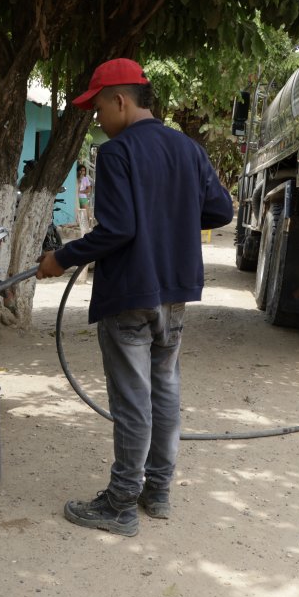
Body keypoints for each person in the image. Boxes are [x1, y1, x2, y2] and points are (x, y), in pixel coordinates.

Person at [37, 58, 233, 537]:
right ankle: (158, 492)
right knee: (164, 392)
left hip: (129, 294)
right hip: (174, 296)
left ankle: (122, 504)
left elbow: (119, 229)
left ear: (120, 100)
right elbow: (221, 209)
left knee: (132, 402)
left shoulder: (118, 152)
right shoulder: (188, 149)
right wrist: (173, 221)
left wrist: (61, 258)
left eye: (99, 107)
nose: (97, 119)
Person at [76, 164, 94, 236]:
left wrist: (81, 191)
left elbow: (89, 189)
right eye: (81, 170)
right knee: (78, 214)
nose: (82, 172)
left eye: (84, 170)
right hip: (76, 198)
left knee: (86, 213)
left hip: (83, 197)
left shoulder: (86, 178)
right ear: (78, 171)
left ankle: (87, 229)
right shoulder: (76, 178)